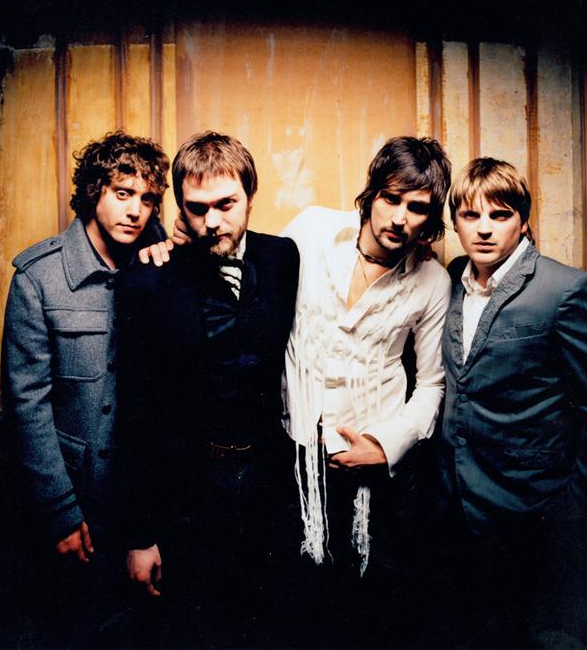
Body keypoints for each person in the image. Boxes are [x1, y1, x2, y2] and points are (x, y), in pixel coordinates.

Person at [116, 131, 299, 646]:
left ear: (250, 195)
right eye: (196, 209)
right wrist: (139, 535)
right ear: (179, 206)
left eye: (226, 204)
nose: (211, 221)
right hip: (188, 491)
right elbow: (136, 410)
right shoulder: (149, 278)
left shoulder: (283, 258)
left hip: (268, 485)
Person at [280, 135, 452, 646]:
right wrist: (174, 240)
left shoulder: (431, 280)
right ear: (371, 193)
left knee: (369, 608)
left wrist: (384, 447)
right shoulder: (311, 230)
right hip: (294, 452)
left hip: (376, 466)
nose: (400, 218)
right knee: (296, 605)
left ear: (430, 217)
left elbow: (432, 384)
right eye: (391, 199)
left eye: (417, 208)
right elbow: (249, 270)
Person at [2, 131, 169, 647]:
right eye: (123, 193)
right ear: (95, 190)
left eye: (148, 199)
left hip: (137, 502)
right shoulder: (39, 277)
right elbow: (26, 406)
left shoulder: (157, 267)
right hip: (71, 503)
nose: (136, 210)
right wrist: (60, 513)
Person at [440, 157, 587, 648]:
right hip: (458, 502)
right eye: (470, 215)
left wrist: (570, 502)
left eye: (500, 215)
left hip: (532, 509)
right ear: (455, 222)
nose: (484, 229)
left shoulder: (562, 289)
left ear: (523, 221)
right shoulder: (454, 277)